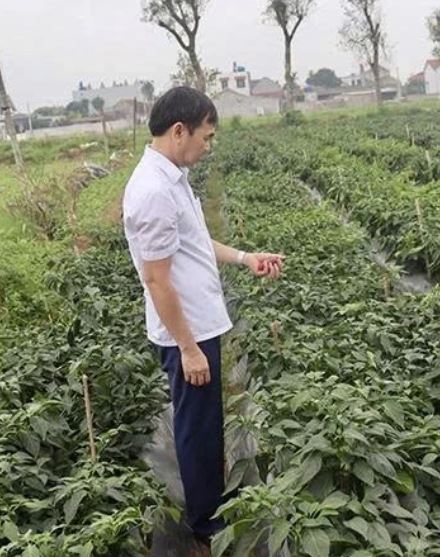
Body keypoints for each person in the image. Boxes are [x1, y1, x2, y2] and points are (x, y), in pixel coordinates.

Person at [122, 86, 284, 550]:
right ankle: (205, 525)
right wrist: (189, 347)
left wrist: (244, 257)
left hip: (198, 327)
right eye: (206, 136)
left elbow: (193, 243)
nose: (208, 146)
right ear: (179, 131)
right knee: (196, 431)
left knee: (208, 425)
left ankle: (211, 510)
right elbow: (157, 281)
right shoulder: (152, 191)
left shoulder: (172, 176)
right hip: (185, 334)